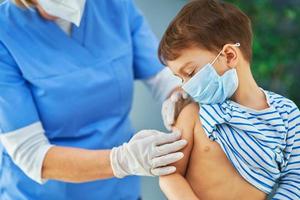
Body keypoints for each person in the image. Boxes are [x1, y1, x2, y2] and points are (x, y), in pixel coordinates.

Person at [0, 0, 190, 199]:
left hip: (120, 191)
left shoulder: (113, 6)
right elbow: (33, 154)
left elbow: (165, 76)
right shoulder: (5, 31)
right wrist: (123, 160)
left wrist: (177, 95)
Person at [157, 0, 300, 199]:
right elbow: (169, 174)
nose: (185, 86)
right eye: (180, 78)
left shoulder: (287, 115)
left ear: (230, 55)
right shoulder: (194, 113)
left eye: (190, 72)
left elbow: (295, 179)